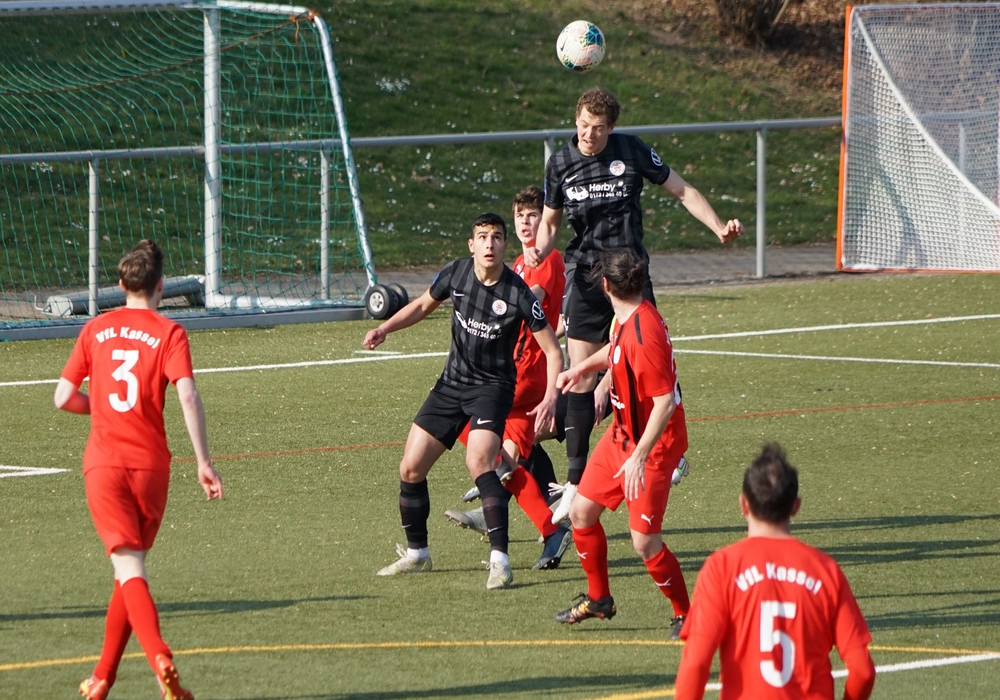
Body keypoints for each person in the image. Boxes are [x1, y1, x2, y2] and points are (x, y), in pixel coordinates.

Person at [524, 86, 743, 523]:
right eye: (583, 125)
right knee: (581, 377)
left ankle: (670, 451)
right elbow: (549, 222)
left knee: (647, 369)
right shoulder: (560, 163)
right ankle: (574, 482)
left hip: (629, 275)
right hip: (587, 276)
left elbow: (682, 190)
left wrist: (718, 226)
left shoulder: (632, 150)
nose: (588, 134)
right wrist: (538, 248)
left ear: (612, 128)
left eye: (597, 128)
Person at [55, 240, 223, 700]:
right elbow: (187, 395)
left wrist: (102, 408)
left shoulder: (95, 328)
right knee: (129, 571)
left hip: (105, 464)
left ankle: (160, 657)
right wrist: (204, 462)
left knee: (129, 569)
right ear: (162, 286)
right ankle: (102, 678)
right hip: (151, 467)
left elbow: (62, 397)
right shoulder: (170, 332)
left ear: (120, 284)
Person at [365, 212, 563, 590]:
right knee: (410, 468)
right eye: (483, 237)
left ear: (504, 245)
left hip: (492, 389)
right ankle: (417, 554)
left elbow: (554, 351)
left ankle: (500, 561)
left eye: (497, 237)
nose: (490, 244)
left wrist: (551, 397)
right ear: (472, 245)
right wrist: (385, 327)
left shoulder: (518, 293)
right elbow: (422, 305)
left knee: (480, 462)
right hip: (451, 385)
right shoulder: (455, 274)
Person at [552, 248, 690, 640]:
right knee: (581, 513)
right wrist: (581, 368)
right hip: (622, 436)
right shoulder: (624, 317)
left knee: (644, 543)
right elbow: (615, 350)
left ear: (606, 285)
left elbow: (665, 403)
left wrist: (639, 457)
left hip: (652, 446)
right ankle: (599, 599)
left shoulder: (645, 335)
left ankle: (686, 613)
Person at [675, 443, 875, 700]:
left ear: (743, 505)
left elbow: (695, 664)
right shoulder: (825, 571)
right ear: (795, 507)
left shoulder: (721, 568)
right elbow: (862, 670)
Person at [443, 186, 573, 571]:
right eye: (520, 216)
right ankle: (540, 525)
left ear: (547, 222)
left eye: (533, 216)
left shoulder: (546, 258)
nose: (526, 222)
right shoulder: (517, 260)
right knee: (503, 459)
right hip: (511, 368)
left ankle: (497, 506)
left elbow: (528, 298)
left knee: (467, 426)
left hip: (524, 375)